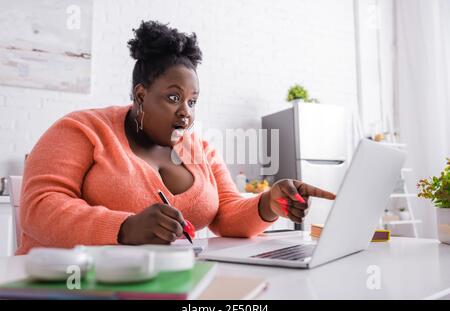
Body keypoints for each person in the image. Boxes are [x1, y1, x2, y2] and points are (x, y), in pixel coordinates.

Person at [16, 21, 335, 255]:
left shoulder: (201, 151)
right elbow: (39, 208)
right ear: (141, 95)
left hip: (165, 284)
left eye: (192, 101)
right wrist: (125, 228)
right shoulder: (82, 130)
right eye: (173, 97)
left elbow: (227, 214)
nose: (186, 113)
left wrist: (268, 203)